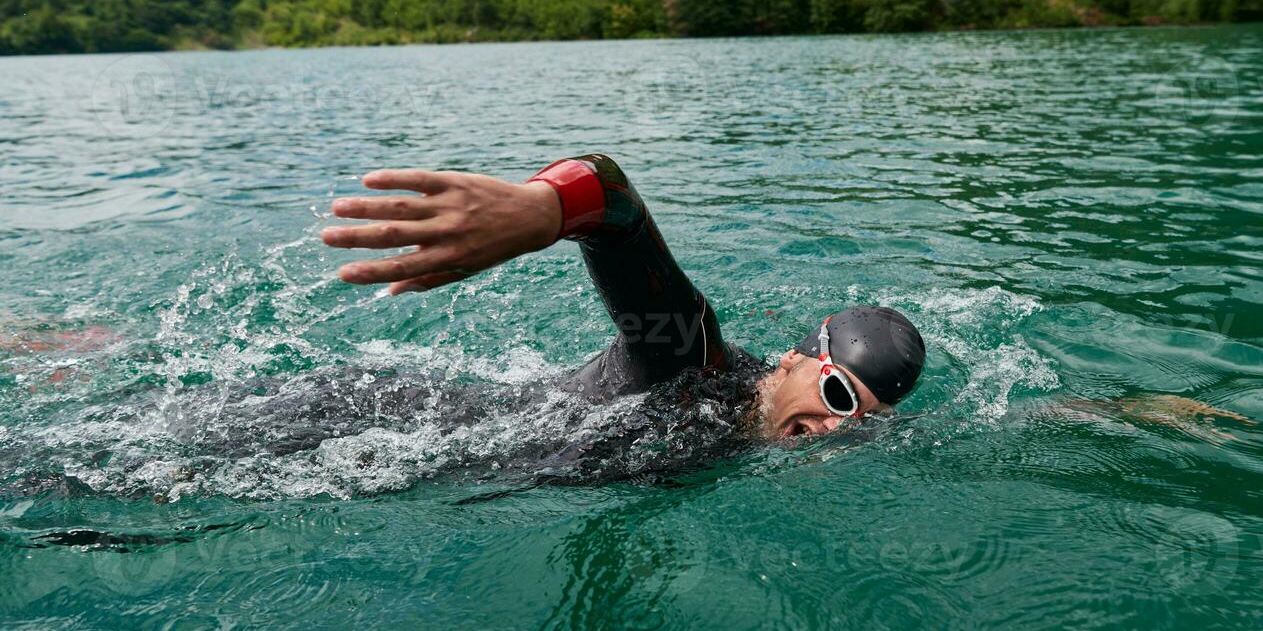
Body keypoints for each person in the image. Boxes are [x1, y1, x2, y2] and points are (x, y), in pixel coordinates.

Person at [322, 154, 927, 441]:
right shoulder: (693, 362)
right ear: (794, 360)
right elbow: (615, 204)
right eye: (837, 394)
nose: (831, 428)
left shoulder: (751, 438)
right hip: (349, 426)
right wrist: (546, 209)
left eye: (857, 420)